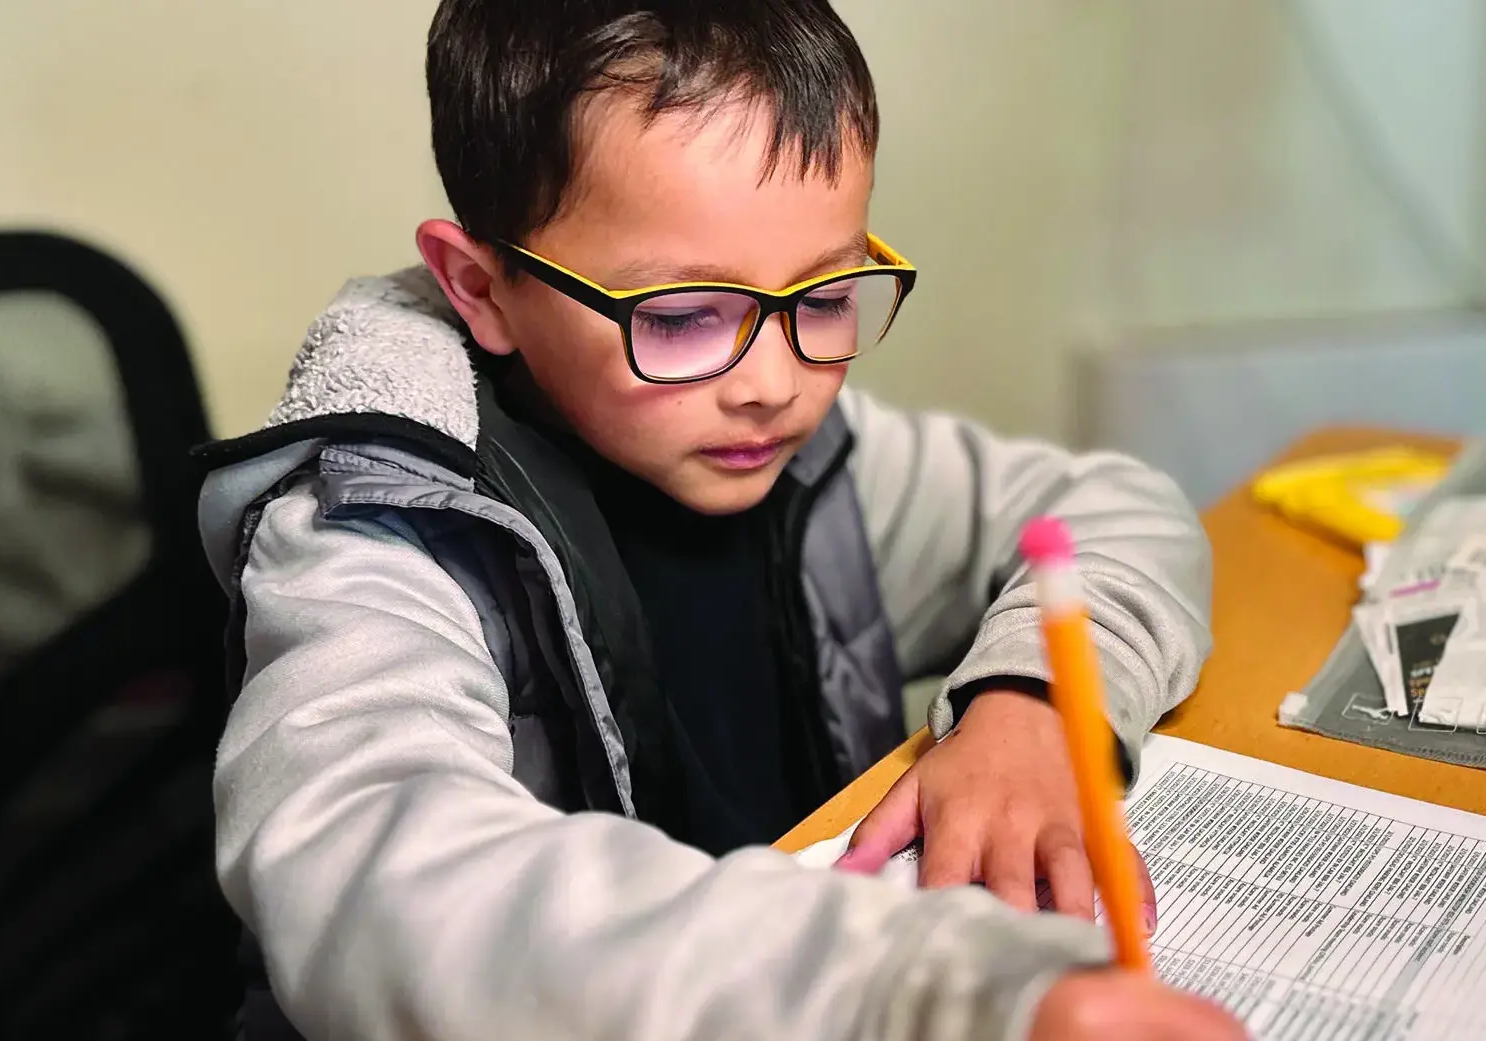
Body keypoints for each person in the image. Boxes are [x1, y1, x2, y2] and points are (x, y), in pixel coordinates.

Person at [195, 1, 1246, 1038]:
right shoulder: (376, 530)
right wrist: (908, 990)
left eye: (826, 295)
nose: (777, 384)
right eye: (687, 315)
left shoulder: (817, 462)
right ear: (481, 288)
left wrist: (1035, 700)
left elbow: (1121, 509)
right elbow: (381, 885)